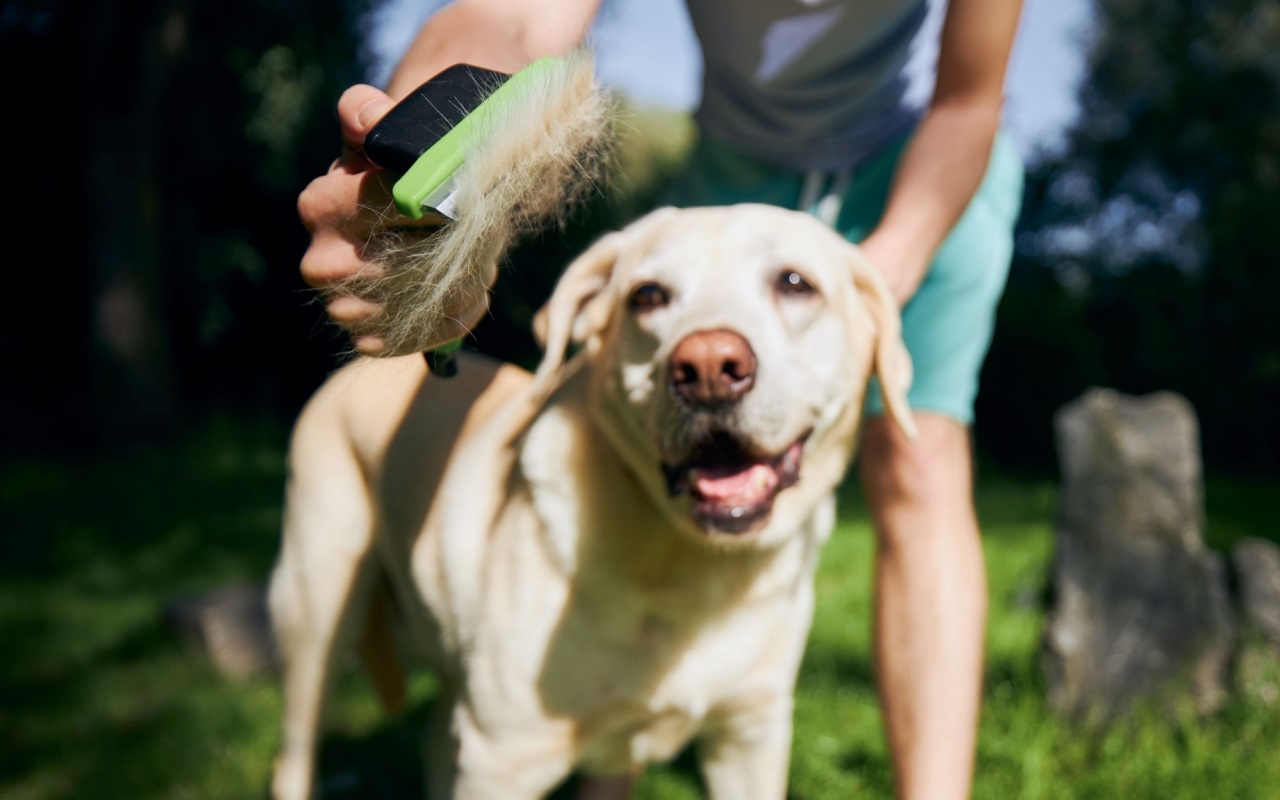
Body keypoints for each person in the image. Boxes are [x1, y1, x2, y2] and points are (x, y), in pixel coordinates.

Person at [296, 1, 1025, 797]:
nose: (710, 360)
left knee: (922, 469)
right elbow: (508, 16)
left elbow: (968, 101)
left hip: (921, 160)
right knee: (647, 444)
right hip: (735, 166)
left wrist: (868, 287)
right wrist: (414, 163)